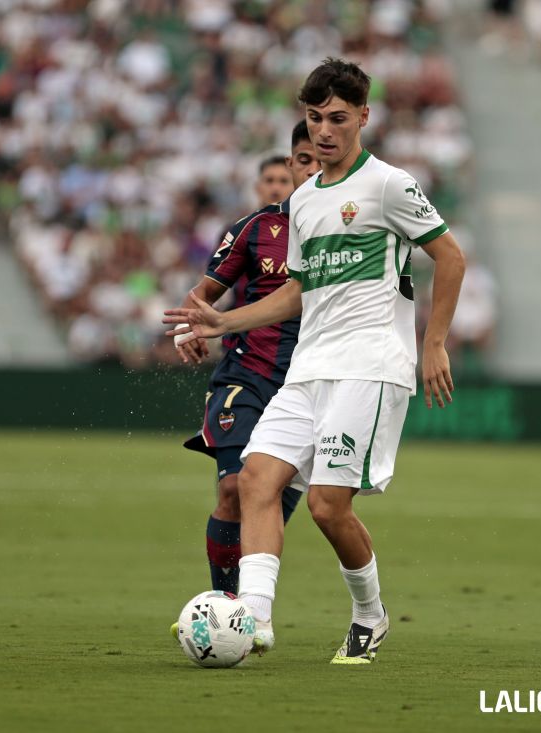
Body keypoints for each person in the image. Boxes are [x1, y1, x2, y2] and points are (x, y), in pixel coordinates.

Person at [164, 58, 466, 663]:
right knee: (255, 477)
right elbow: (297, 291)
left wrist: (433, 343)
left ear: (362, 117)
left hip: (370, 365)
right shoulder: (303, 203)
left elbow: (451, 258)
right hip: (309, 367)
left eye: (336, 118)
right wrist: (224, 321)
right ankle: (251, 617)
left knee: (329, 506)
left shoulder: (389, 185)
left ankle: (370, 615)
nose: (324, 130)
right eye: (313, 118)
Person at [174, 122, 321, 605]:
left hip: (311, 382)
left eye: (318, 159)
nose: (308, 169)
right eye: (299, 159)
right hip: (247, 375)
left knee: (274, 499)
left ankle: (247, 601)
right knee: (235, 488)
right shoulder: (256, 229)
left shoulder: (351, 230)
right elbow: (203, 295)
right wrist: (188, 328)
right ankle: (227, 610)